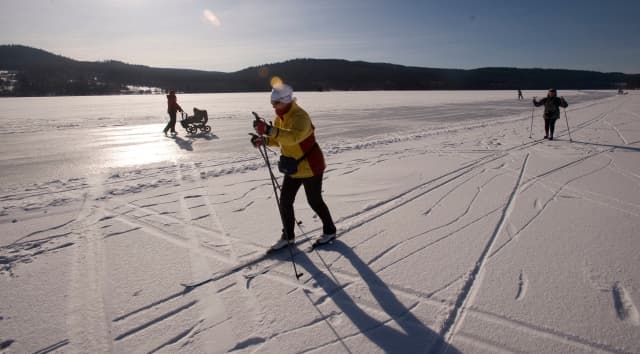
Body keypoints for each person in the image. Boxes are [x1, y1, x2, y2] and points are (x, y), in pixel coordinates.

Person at [251, 84, 337, 251]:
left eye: (276, 102)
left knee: (314, 201)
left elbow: (293, 137)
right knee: (285, 202)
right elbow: (279, 140)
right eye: (272, 102)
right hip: (293, 166)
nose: (273, 106)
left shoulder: (300, 116)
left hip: (311, 166)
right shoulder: (280, 117)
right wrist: (264, 140)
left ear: (286, 100)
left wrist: (269, 130)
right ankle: (288, 236)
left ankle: (330, 231)